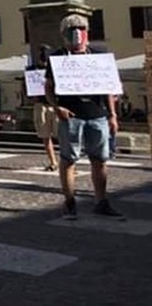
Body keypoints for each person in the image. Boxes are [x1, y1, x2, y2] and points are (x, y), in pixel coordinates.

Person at [45, 14, 122, 220]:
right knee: (69, 159)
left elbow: (108, 88)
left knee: (100, 160)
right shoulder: (57, 58)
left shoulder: (97, 57)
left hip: (97, 115)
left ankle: (101, 201)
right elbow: (49, 88)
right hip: (71, 116)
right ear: (64, 35)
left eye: (81, 29)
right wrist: (56, 107)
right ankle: (70, 202)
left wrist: (112, 114)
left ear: (87, 34)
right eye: (72, 31)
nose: (78, 34)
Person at [29, 45, 60, 171]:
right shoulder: (33, 70)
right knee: (45, 136)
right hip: (41, 104)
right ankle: (53, 161)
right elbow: (27, 87)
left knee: (61, 136)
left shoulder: (56, 69)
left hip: (55, 105)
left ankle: (65, 161)